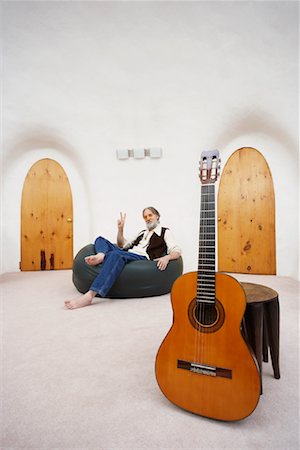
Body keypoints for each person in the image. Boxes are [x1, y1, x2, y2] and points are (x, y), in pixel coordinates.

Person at [65, 207, 181, 309]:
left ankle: (90, 295)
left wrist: (167, 257)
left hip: (141, 257)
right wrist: (120, 229)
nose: (148, 218)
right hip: (127, 252)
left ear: (157, 216)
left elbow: (176, 251)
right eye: (145, 217)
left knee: (116, 255)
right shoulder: (142, 232)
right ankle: (101, 255)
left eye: (150, 215)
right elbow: (122, 245)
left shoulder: (165, 232)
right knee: (100, 239)